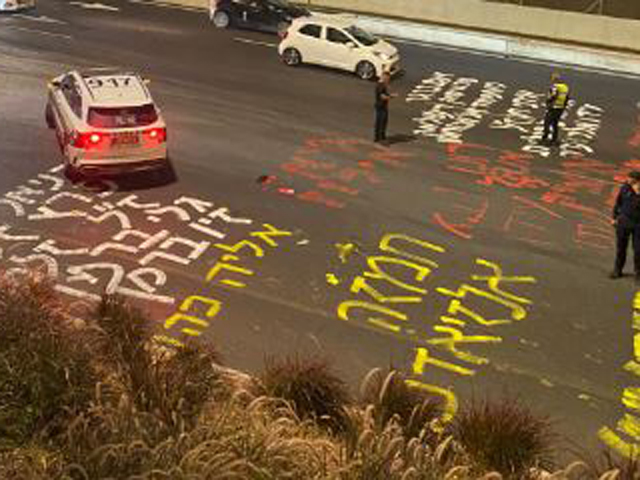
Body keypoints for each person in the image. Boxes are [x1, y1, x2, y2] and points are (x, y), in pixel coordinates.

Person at [610, 171, 640, 280]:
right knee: (621, 248)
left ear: (636, 180)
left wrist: (637, 193)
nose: (627, 179)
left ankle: (638, 273)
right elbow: (618, 203)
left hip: (638, 225)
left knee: (638, 250)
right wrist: (614, 217)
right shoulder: (625, 188)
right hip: (624, 222)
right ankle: (617, 270)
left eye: (630, 178)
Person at [540, 72, 570, 146]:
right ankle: (554, 140)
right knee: (555, 124)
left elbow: (553, 96)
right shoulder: (565, 87)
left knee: (547, 123)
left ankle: (544, 139)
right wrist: (564, 106)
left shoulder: (555, 87)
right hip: (560, 108)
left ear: (554, 79)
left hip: (553, 107)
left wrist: (548, 102)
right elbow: (567, 98)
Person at [374, 71, 396, 144]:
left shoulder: (382, 84)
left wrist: (389, 95)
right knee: (382, 122)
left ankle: (379, 137)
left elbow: (384, 94)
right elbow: (382, 97)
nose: (388, 79)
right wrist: (391, 96)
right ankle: (380, 139)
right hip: (381, 106)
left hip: (381, 106)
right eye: (387, 78)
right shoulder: (380, 85)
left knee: (381, 122)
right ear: (384, 77)